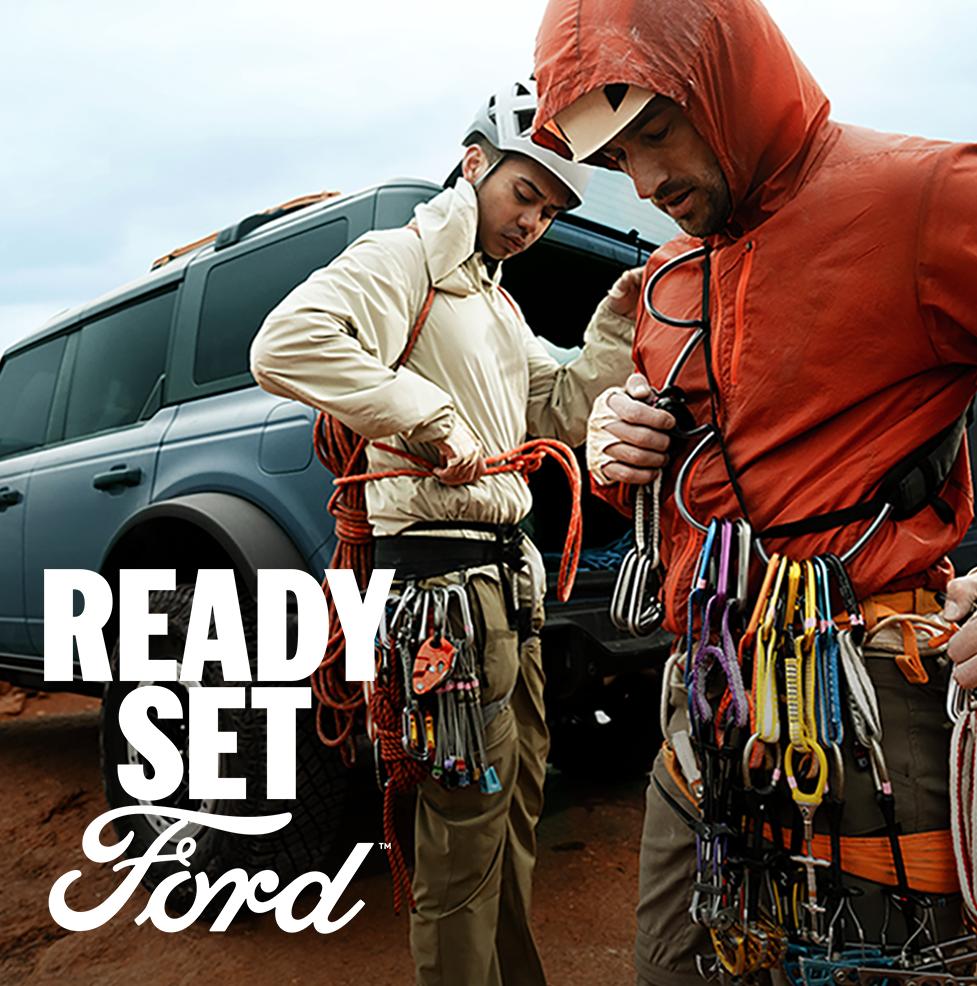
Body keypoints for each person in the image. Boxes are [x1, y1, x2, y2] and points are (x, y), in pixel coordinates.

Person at [530, 1, 977, 982]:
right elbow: (679, 501)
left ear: (725, 79)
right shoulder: (663, 287)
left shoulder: (923, 196)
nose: (648, 184)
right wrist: (617, 455)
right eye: (613, 163)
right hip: (702, 720)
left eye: (654, 131)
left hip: (868, 702)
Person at [250, 80, 641, 986]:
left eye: (548, 210)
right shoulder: (404, 257)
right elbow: (285, 341)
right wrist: (425, 416)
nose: (533, 222)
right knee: (461, 832)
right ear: (474, 165)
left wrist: (614, 323)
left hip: (511, 591)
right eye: (523, 195)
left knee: (514, 808)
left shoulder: (497, 306)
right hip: (442, 590)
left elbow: (559, 406)